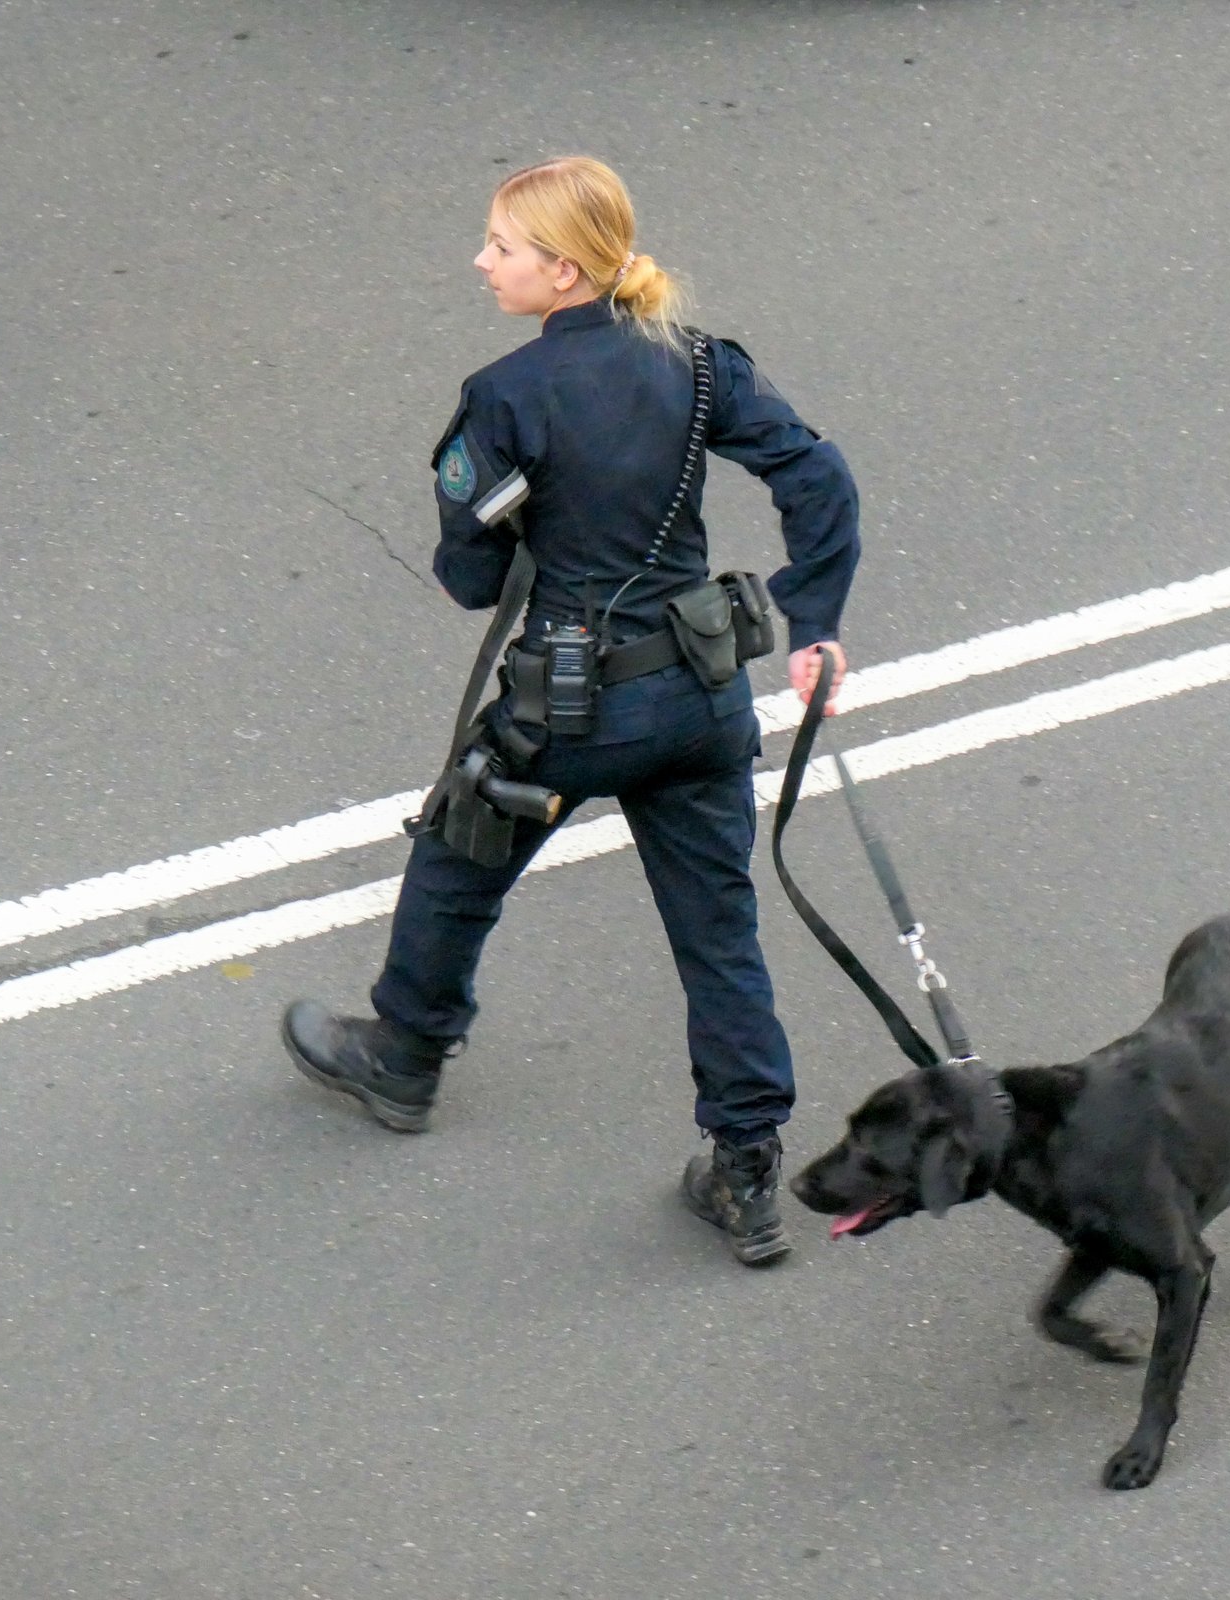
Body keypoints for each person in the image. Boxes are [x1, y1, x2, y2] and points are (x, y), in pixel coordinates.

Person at [281, 156, 858, 1268]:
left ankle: (403, 1055)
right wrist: (818, 618)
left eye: (501, 246)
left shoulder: (507, 396)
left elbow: (466, 577)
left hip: (572, 709)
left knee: (461, 852)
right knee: (718, 928)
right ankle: (745, 1165)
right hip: (701, 694)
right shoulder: (697, 365)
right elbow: (816, 475)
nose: (482, 261)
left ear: (562, 269)